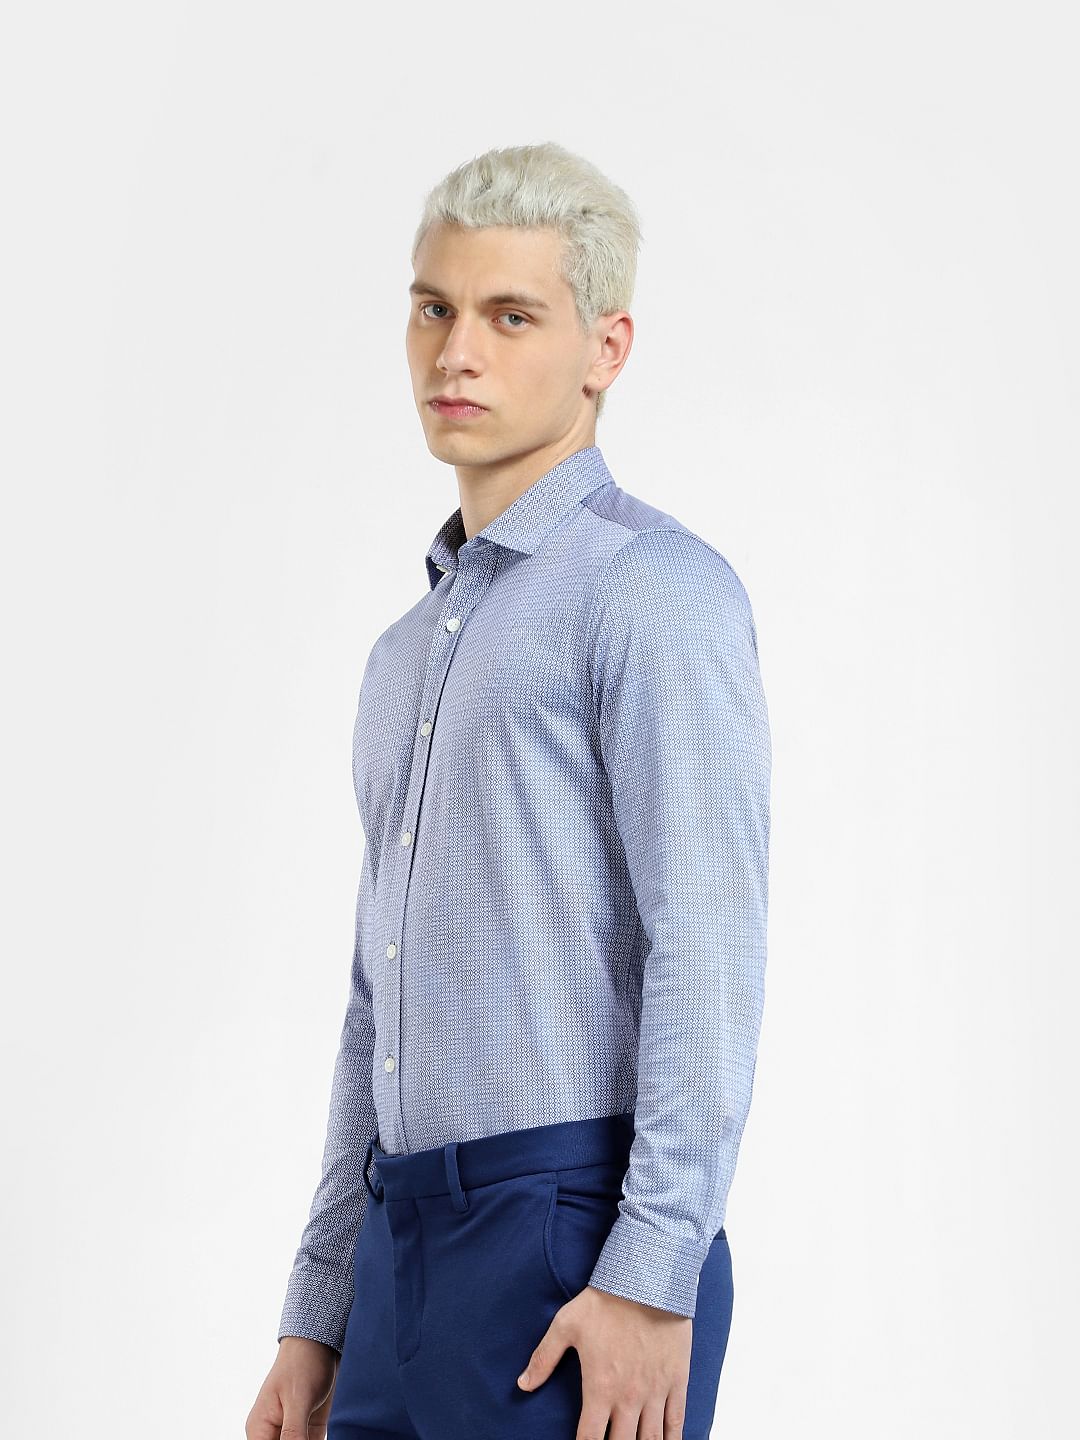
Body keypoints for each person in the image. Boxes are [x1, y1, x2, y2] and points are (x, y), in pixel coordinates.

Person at [246, 140, 771, 1440]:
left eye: (510, 315)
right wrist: (320, 1309)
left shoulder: (654, 593)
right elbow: (374, 998)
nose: (456, 353)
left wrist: (651, 1274)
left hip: (569, 1231)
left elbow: (708, 941)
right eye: (434, 307)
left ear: (606, 348)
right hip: (397, 1239)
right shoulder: (402, 655)